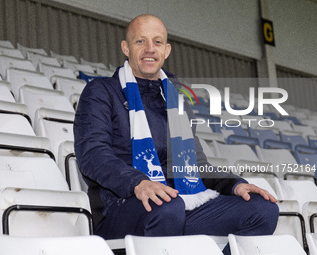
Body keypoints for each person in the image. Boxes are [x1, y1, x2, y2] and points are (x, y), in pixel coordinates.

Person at [74, 14, 279, 255]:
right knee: (167, 206)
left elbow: (196, 163)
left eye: (157, 42)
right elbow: (93, 154)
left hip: (179, 204)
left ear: (167, 50)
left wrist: (234, 185)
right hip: (123, 206)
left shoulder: (177, 99)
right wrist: (137, 183)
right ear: (125, 48)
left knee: (262, 209)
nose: (150, 49)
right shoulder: (101, 91)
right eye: (141, 41)